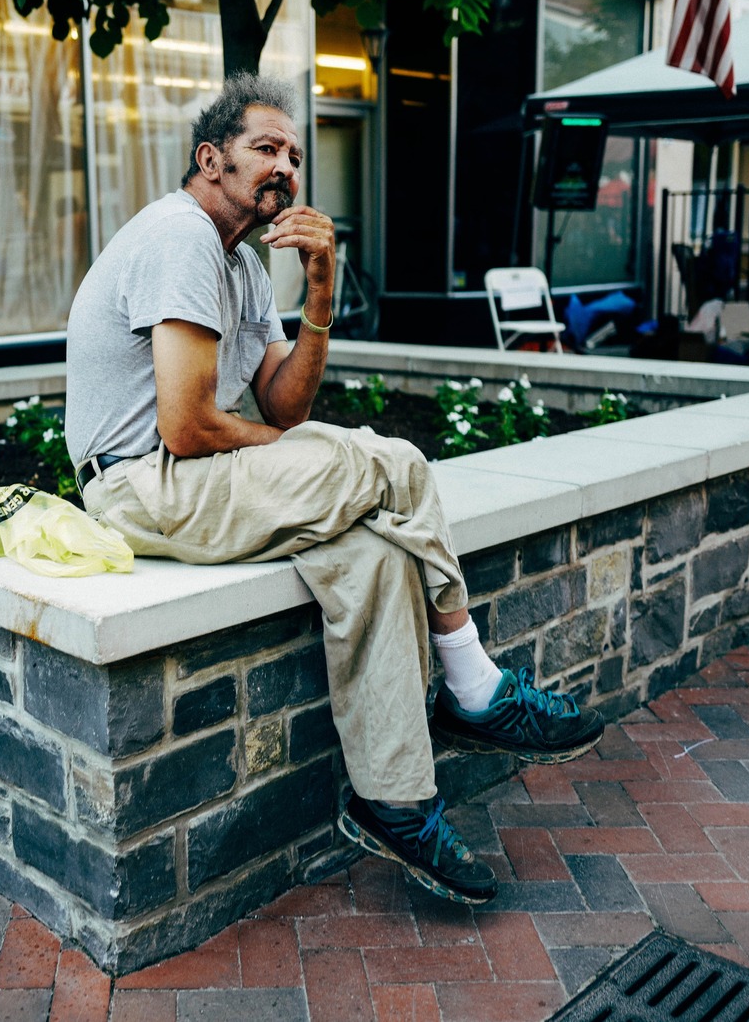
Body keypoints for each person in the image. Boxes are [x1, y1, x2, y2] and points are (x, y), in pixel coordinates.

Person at [64, 74, 604, 906]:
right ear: (210, 160)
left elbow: (285, 402)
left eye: (294, 154)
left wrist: (320, 287)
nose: (285, 167)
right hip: (139, 483)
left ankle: (396, 801)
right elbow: (187, 426)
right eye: (265, 148)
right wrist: (311, 451)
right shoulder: (180, 236)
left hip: (189, 479)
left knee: (373, 557)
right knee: (394, 463)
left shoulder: (243, 266)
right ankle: (475, 687)